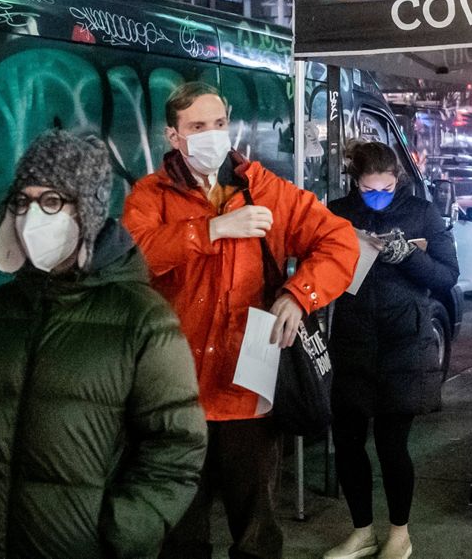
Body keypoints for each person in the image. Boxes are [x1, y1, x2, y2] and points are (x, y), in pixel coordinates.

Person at [0, 130, 208, 559]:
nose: (32, 218)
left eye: (52, 201)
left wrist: (117, 535)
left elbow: (177, 447)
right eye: (22, 202)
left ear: (88, 212)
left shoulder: (142, 321)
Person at [123, 82, 360, 559]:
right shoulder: (150, 194)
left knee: (255, 525)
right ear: (173, 135)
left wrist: (299, 295)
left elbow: (340, 241)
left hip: (245, 388)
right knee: (179, 527)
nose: (212, 135)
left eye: (219, 124)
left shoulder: (264, 188)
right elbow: (131, 257)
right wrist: (209, 229)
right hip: (173, 388)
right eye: (197, 127)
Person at [323, 142, 460, 559]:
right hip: (351, 340)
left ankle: (399, 533)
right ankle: (361, 530)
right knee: (347, 443)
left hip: (404, 343)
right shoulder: (337, 212)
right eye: (369, 189)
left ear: (397, 179)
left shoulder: (421, 211)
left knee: (391, 444)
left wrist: (405, 256)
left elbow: (448, 275)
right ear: (355, 183)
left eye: (385, 187)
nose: (378, 195)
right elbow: (319, 264)